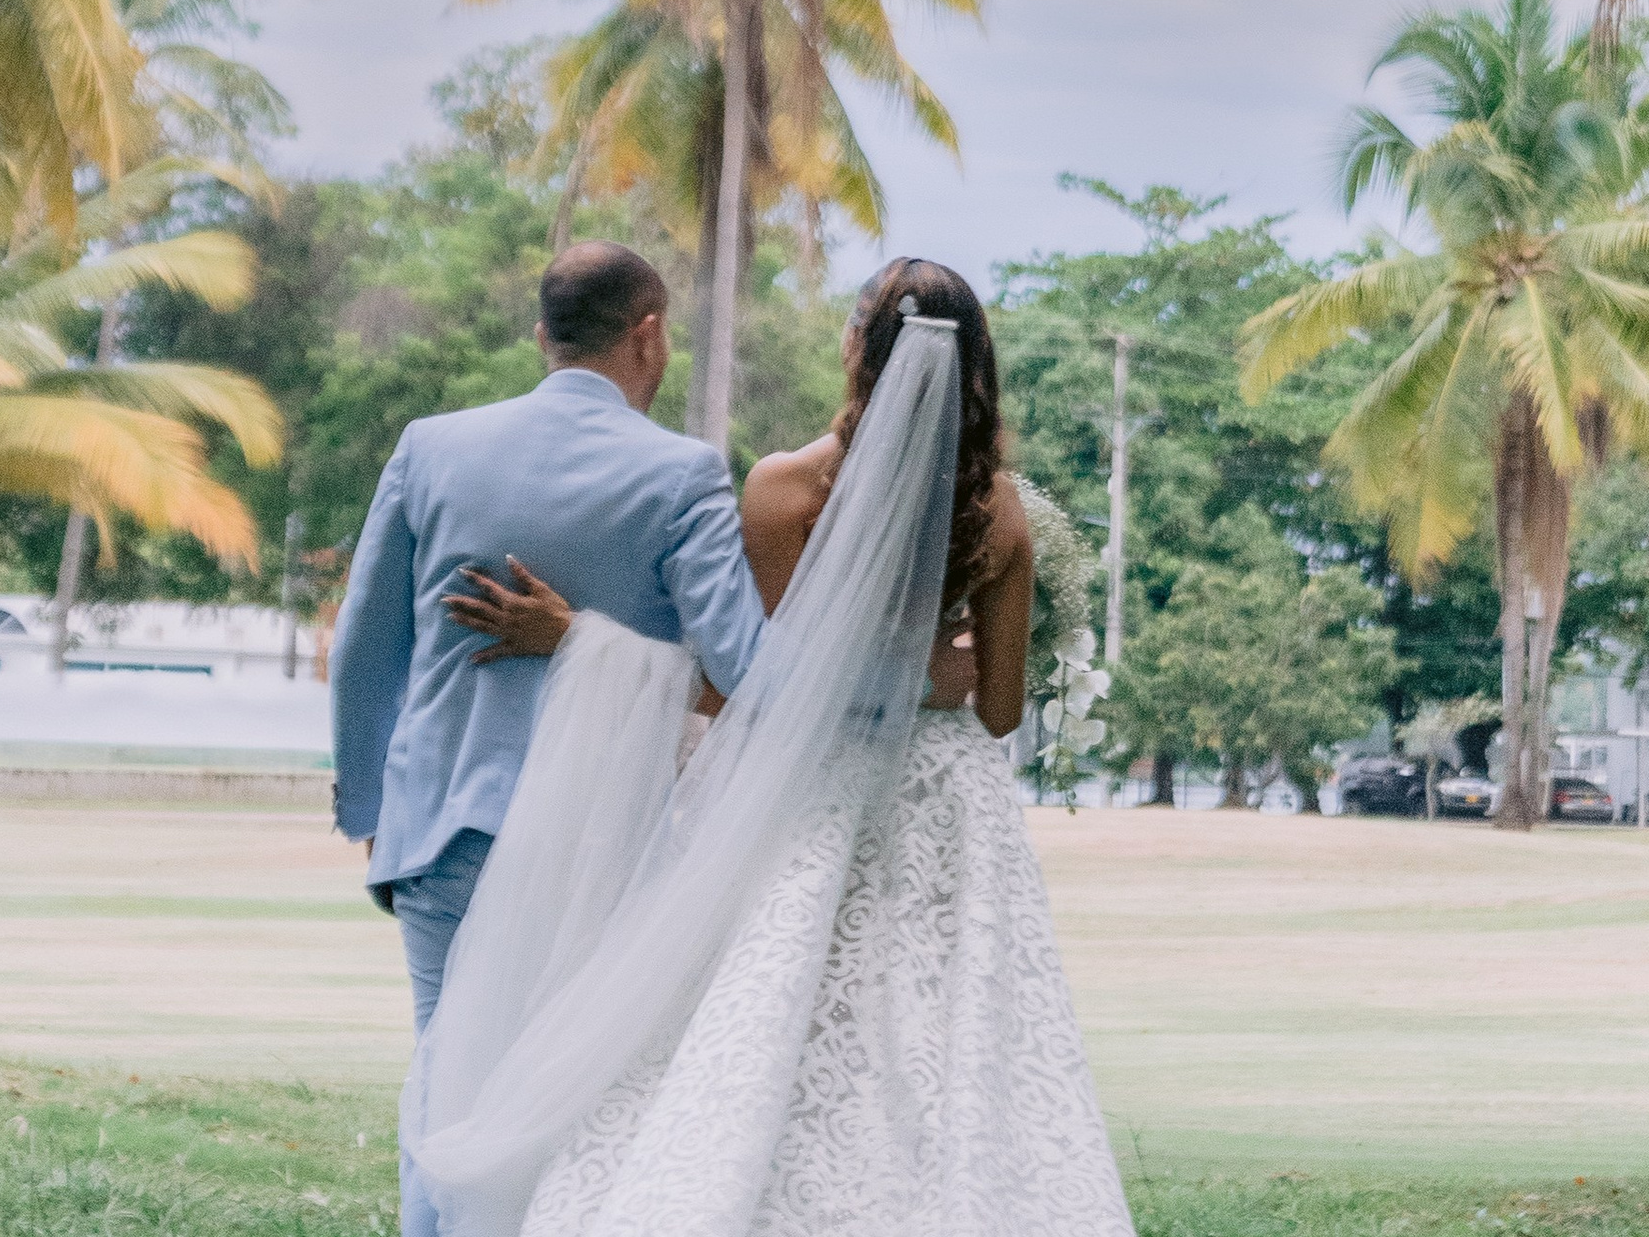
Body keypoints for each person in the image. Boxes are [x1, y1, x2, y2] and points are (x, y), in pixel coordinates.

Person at [404, 258, 1136, 1237]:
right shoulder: (999, 512)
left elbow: (738, 679)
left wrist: (593, 650)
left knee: (763, 1005)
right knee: (946, 1022)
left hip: (809, 790)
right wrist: (936, 678)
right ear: (976, 365)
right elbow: (999, 708)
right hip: (945, 802)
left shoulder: (785, 487)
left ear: (855, 351)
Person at [329, 240, 767, 1237]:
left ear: (541, 336)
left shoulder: (431, 445)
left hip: (440, 829)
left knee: (447, 1086)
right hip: (602, 845)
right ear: (647, 334)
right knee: (577, 1099)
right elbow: (746, 667)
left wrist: (368, 802)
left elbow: (365, 643)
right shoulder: (683, 473)